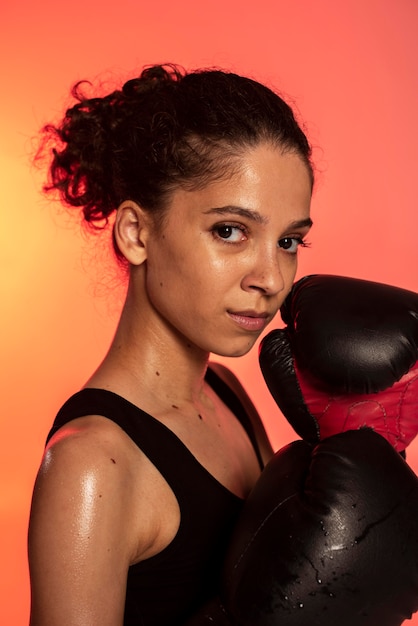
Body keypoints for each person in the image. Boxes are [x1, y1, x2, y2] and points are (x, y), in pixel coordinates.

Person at [28, 63, 314, 626]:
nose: (272, 278)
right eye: (230, 230)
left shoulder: (224, 392)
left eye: (288, 241)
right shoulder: (92, 465)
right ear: (137, 233)